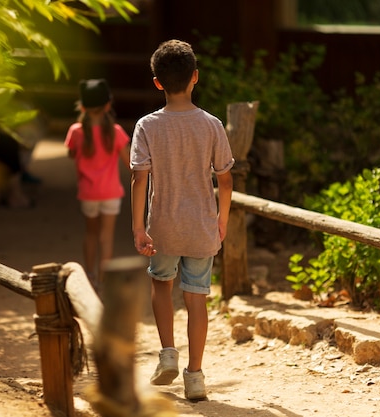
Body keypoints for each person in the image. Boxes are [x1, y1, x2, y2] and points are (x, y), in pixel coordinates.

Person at [130, 39, 234, 400]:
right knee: (197, 298)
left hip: (162, 227)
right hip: (202, 225)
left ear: (157, 82)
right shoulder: (211, 125)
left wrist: (138, 227)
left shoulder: (147, 126)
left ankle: (168, 355)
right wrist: (222, 220)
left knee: (161, 284)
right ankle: (195, 376)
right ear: (195, 77)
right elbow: (224, 177)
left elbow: (139, 176)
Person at [64, 78, 131, 292]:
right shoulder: (116, 131)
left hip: (88, 193)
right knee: (107, 237)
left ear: (82, 107)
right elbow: (130, 164)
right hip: (111, 193)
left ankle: (90, 276)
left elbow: (71, 153)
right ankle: (104, 280)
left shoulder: (76, 131)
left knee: (90, 234)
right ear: (108, 105)